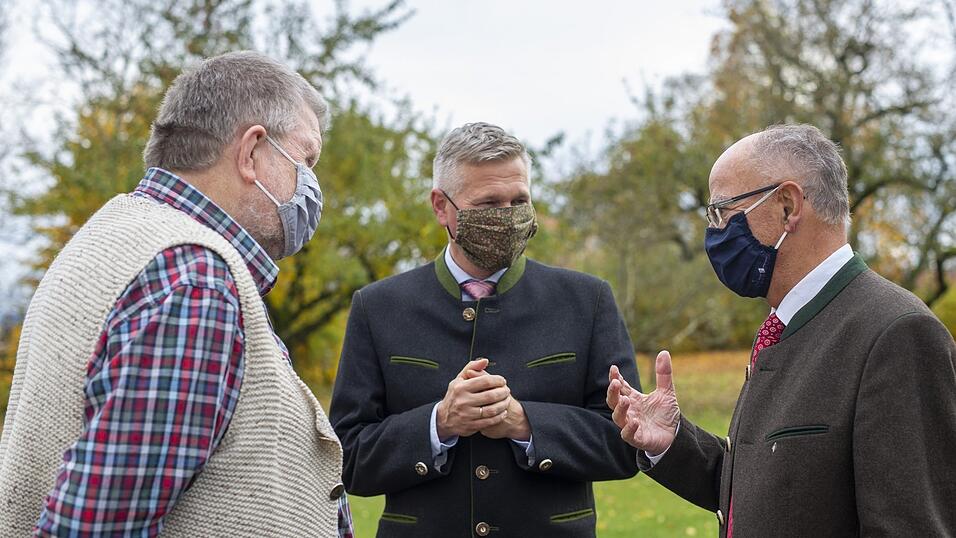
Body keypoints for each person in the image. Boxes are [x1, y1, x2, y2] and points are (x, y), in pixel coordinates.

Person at [0, 51, 351, 537]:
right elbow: (100, 527)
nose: (310, 185)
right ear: (251, 152)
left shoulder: (114, 235)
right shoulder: (197, 282)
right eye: (305, 159)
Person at [607, 124, 956, 537]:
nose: (713, 232)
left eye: (722, 211)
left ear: (788, 206)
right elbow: (776, 495)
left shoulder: (897, 333)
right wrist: (672, 441)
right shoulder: (786, 324)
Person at [330, 122, 640, 537]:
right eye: (489, 202)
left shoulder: (587, 301)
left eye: (519, 200)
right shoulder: (378, 307)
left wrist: (525, 423)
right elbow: (346, 458)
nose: (508, 216)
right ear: (441, 206)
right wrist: (439, 423)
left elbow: (625, 444)